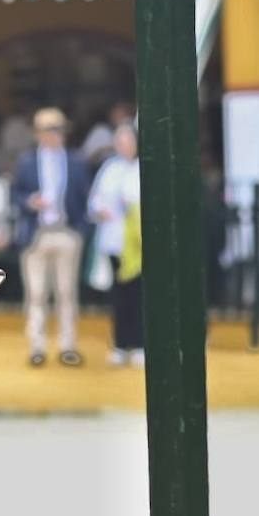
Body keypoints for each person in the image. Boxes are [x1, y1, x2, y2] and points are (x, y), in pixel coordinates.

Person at [11, 107, 93, 367]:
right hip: (36, 233)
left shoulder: (76, 160)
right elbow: (15, 194)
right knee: (36, 293)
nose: (54, 135)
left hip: (66, 231)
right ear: (38, 134)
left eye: (58, 129)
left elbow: (84, 194)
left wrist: (79, 228)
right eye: (49, 130)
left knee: (66, 292)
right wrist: (29, 202)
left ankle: (68, 345)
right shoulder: (26, 162)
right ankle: (37, 345)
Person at [88, 123, 144, 366]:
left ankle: (141, 344)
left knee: (140, 296)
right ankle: (121, 344)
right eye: (119, 141)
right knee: (119, 298)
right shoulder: (109, 169)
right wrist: (100, 210)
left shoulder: (144, 167)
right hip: (114, 243)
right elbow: (94, 202)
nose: (123, 145)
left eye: (127, 140)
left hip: (139, 245)